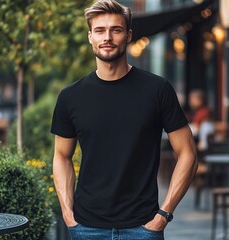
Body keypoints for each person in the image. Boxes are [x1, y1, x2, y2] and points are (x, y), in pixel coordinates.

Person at [50, 1, 198, 239]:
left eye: (115, 30)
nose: (107, 37)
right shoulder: (71, 97)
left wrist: (164, 215)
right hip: (86, 228)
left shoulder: (157, 90)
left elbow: (188, 153)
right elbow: (61, 156)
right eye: (99, 30)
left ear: (128, 35)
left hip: (143, 227)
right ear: (90, 37)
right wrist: (68, 214)